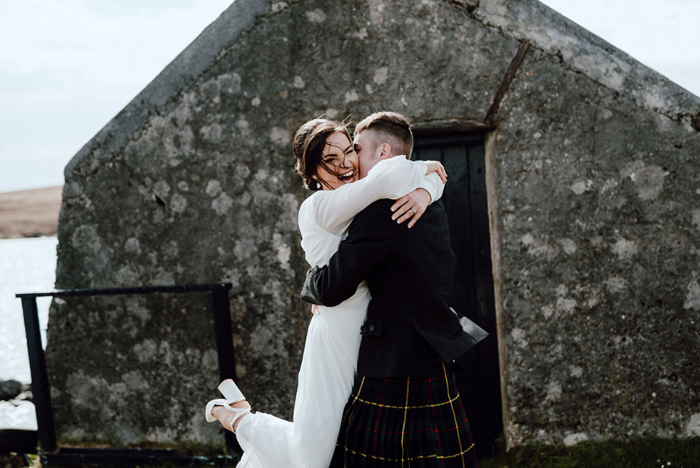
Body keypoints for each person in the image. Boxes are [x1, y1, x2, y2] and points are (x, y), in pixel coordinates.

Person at [205, 114, 448, 468]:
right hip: (334, 335)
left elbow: (395, 179)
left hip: (369, 333)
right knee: (312, 457)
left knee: (344, 445)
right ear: (313, 172)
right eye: (329, 160)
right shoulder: (318, 207)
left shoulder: (359, 197)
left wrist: (427, 190)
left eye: (348, 151)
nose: (346, 164)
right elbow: (392, 175)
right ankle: (239, 418)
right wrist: (428, 172)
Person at [302, 112, 485, 467]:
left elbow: (332, 287)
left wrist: (312, 280)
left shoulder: (383, 211)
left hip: (393, 357)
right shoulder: (429, 203)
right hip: (433, 347)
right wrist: (427, 185)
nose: (350, 161)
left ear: (383, 152)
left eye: (354, 149)